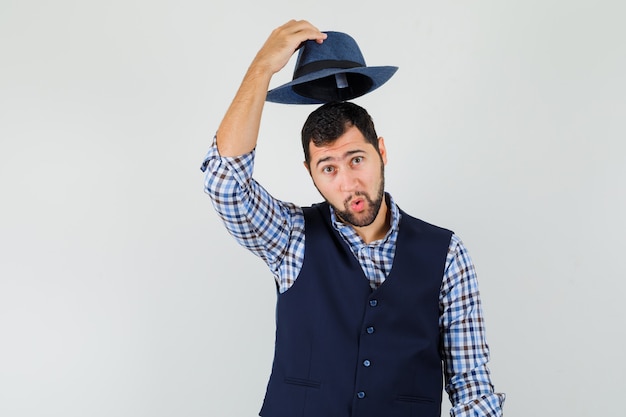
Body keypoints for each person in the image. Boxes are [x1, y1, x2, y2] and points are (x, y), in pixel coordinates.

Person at [201, 19, 505, 417]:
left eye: (357, 159)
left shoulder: (446, 254)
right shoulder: (291, 237)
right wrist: (262, 68)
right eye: (328, 168)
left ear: (381, 151)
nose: (348, 184)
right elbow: (225, 184)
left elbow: (473, 388)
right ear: (310, 172)